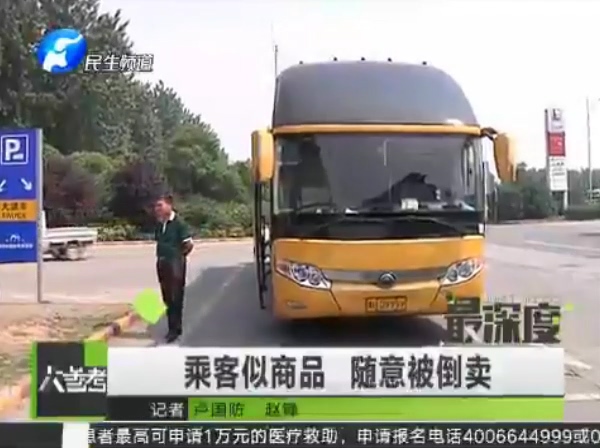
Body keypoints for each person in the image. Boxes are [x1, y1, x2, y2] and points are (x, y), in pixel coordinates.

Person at [153, 194, 193, 343]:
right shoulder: (160, 224)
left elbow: (188, 244)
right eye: (156, 206)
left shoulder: (179, 224)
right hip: (162, 263)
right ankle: (173, 327)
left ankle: (174, 329)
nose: (157, 209)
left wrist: (178, 257)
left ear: (169, 206)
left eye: (160, 205)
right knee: (167, 297)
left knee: (176, 296)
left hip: (175, 264)